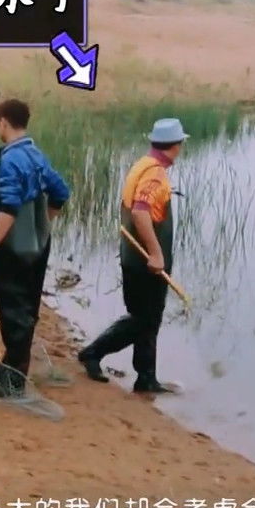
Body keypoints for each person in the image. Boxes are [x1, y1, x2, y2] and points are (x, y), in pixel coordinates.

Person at [76, 118, 188, 395]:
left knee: (148, 318)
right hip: (145, 261)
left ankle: (146, 378)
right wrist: (156, 254)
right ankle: (93, 353)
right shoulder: (155, 174)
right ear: (175, 146)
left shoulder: (142, 164)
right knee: (144, 320)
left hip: (133, 256)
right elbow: (140, 211)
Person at [0, 99, 70, 398]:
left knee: (13, 311)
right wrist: (43, 226)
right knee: (27, 306)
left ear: (3, 122)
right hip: (38, 246)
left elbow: (9, 210)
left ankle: (13, 380)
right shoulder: (36, 154)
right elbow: (60, 192)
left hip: (13, 249)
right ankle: (9, 366)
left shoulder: (11, 159)